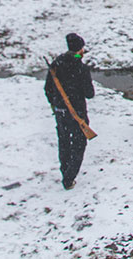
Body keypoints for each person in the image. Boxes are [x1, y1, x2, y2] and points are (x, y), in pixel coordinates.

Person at [44, 32, 95, 190]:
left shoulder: (55, 65)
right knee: (79, 144)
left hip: (60, 112)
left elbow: (48, 89)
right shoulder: (81, 68)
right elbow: (89, 94)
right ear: (80, 49)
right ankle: (69, 177)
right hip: (77, 113)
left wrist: (55, 104)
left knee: (64, 142)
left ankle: (65, 170)